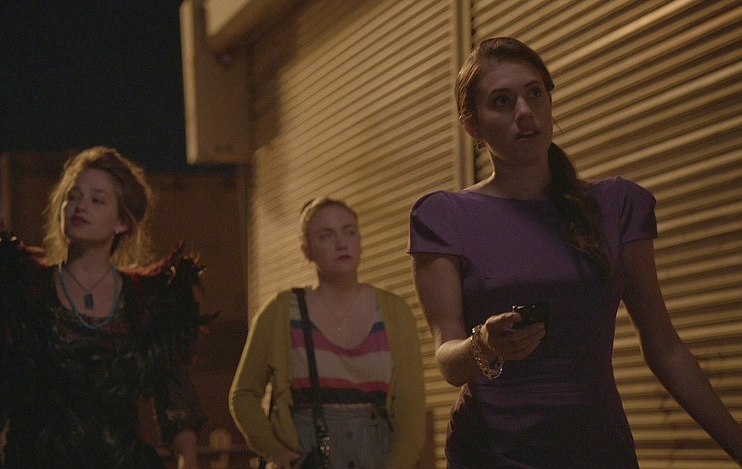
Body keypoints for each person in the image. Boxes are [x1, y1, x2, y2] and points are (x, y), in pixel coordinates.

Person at [408, 37, 742, 468]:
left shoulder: (615, 206)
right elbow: (448, 362)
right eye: (502, 101)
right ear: (471, 126)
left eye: (534, 93)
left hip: (596, 444)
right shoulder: (443, 215)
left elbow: (665, 348)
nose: (524, 111)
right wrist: (484, 344)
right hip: (494, 450)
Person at [0, 146, 210, 469]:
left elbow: (178, 410)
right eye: (73, 196)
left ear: (122, 222)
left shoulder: (146, 301)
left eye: (97, 200)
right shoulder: (23, 291)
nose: (80, 206)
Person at [229, 198, 425, 468]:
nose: (341, 243)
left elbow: (410, 407)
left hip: (376, 453)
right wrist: (275, 450)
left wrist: (397, 465)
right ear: (306, 250)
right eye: (326, 235)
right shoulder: (282, 311)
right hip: (307, 454)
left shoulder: (394, 310)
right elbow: (243, 394)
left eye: (349, 231)